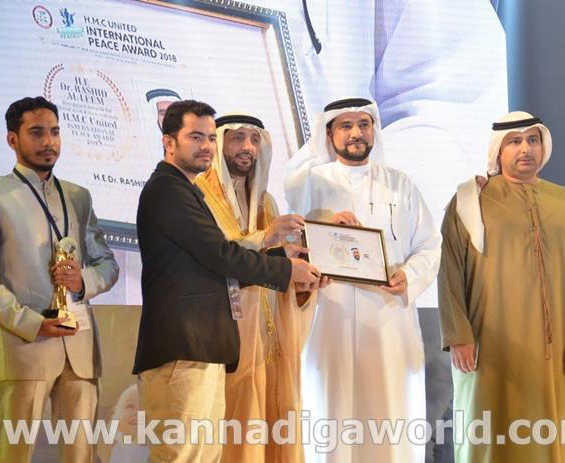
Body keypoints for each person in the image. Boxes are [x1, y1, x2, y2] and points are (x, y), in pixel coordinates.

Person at [133, 100, 321, 462]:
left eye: (209, 138)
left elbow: (215, 263)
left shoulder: (185, 189)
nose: (205, 146)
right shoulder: (167, 189)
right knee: (183, 455)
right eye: (195, 137)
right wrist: (285, 270)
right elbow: (220, 255)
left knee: (203, 455)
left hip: (203, 348)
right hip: (182, 349)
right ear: (168, 142)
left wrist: (290, 264)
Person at [437, 111, 565, 462]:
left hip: (556, 350)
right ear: (498, 151)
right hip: (489, 349)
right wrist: (458, 335)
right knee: (489, 437)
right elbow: (450, 273)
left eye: (533, 140)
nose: (525, 149)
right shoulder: (471, 201)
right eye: (514, 141)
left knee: (550, 438)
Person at [0, 96, 119, 462]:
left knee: (81, 453)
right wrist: (30, 322)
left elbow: (107, 264)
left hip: (79, 347)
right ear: (12, 139)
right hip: (25, 346)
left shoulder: (78, 196)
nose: (49, 141)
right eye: (36, 132)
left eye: (55, 132)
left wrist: (83, 281)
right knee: (16, 453)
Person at [284, 97, 442, 462]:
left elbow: (429, 245)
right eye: (346, 126)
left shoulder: (400, 184)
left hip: (389, 320)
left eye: (364, 124)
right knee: (331, 416)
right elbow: (292, 242)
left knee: (390, 417)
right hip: (330, 317)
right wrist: (323, 225)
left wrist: (408, 275)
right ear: (329, 134)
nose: (356, 133)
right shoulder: (311, 183)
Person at [195, 113, 328, 462]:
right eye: (238, 138)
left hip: (268, 340)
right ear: (219, 143)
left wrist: (304, 283)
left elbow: (276, 269)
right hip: (224, 336)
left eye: (254, 139)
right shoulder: (199, 196)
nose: (248, 147)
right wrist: (266, 238)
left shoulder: (266, 203)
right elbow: (217, 258)